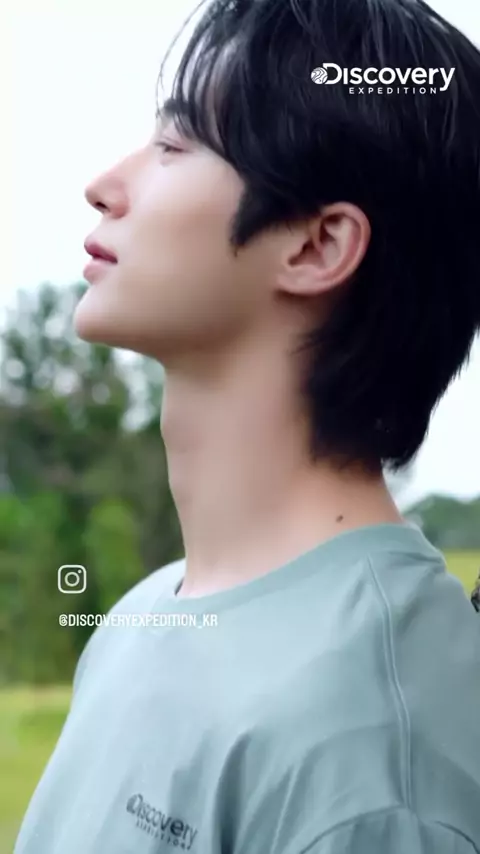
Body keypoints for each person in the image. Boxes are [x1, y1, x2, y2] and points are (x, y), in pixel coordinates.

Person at [14, 0, 480, 851]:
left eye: (174, 146)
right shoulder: (142, 619)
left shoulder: (371, 766)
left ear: (317, 246)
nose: (105, 185)